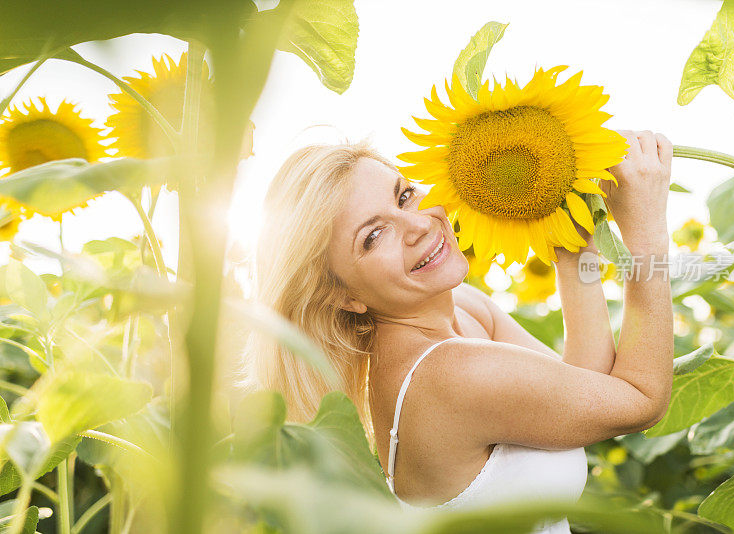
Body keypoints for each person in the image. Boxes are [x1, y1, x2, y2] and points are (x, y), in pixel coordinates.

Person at [238, 130, 674, 533]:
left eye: (405, 195)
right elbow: (640, 400)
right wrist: (646, 229)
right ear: (342, 296)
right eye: (373, 236)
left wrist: (572, 243)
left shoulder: (464, 310)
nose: (419, 225)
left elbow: (586, 385)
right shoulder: (448, 374)